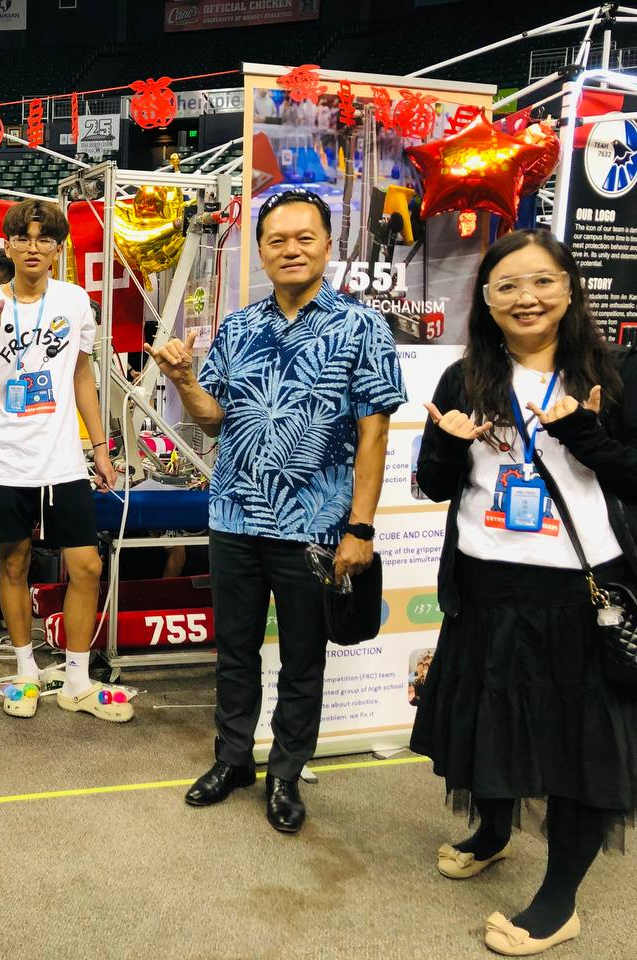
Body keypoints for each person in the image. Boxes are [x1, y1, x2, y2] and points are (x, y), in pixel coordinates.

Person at [146, 189, 405, 833]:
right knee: (234, 650)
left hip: (313, 525)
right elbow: (214, 420)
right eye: (276, 241)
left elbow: (374, 435)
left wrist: (361, 526)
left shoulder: (362, 326)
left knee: (302, 656)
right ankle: (233, 759)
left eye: (304, 238)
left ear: (326, 245)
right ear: (260, 251)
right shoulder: (239, 327)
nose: (290, 250)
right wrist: (183, 380)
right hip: (233, 516)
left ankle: (287, 772)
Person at [410, 229, 637, 956]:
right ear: (486, 300)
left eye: (542, 281)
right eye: (507, 285)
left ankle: (559, 898)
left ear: (570, 288)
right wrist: (445, 442)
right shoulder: (465, 377)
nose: (526, 297)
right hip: (484, 587)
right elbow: (438, 484)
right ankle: (494, 829)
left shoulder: (615, 373)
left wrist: (588, 437)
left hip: (580, 594)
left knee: (575, 748)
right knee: (490, 720)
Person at [0, 199, 129, 722]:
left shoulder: (74, 301)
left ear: (58, 249)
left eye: (45, 239)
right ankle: (27, 671)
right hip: (3, 460)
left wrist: (99, 447)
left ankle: (77, 676)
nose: (33, 248)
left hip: (62, 461)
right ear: (7, 244)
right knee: (13, 564)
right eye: (23, 238)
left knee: (87, 565)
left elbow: (81, 376)